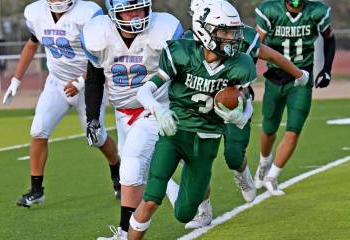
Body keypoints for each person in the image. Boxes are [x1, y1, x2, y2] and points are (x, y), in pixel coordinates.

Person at [165, 0, 310, 229]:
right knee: (196, 162)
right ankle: (203, 210)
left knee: (233, 155)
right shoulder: (187, 43)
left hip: (234, 106)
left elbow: (271, 56)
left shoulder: (240, 35)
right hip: (200, 113)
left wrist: (298, 73)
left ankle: (242, 172)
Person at [127, 1, 257, 239]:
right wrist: (158, 109)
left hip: (207, 139)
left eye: (234, 32)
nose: (232, 38)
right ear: (204, 31)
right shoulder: (182, 52)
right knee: (151, 199)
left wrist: (241, 116)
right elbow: (144, 91)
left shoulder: (240, 64)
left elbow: (245, 102)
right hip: (175, 133)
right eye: (225, 32)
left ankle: (195, 198)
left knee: (184, 213)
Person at [2, 0, 120, 208]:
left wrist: (82, 80)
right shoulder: (36, 12)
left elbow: (103, 55)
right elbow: (31, 45)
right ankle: (36, 190)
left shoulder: (88, 13)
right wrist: (16, 79)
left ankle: (117, 174)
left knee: (97, 137)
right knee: (38, 131)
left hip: (88, 85)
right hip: (56, 82)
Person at [81, 0, 183, 239]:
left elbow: (183, 66)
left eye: (139, 8)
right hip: (123, 113)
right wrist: (92, 118)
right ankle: (201, 203)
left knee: (130, 167)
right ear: (114, 14)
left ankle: (125, 233)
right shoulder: (100, 35)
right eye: (128, 12)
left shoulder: (163, 29)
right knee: (175, 162)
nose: (136, 15)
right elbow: (94, 79)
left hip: (156, 107)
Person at [254, 0, 336, 195]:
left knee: (294, 129)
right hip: (275, 77)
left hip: (302, 77)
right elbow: (256, 45)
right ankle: (264, 161)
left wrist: (327, 69)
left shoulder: (317, 11)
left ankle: (272, 177)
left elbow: (329, 38)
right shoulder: (270, 11)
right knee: (269, 128)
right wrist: (244, 80)